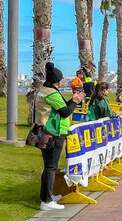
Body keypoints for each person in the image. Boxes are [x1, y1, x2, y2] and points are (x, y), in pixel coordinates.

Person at [34, 62, 84, 211]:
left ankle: (47, 196)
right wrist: (75, 101)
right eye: (61, 80)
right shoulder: (52, 93)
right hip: (53, 132)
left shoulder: (44, 90)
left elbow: (61, 107)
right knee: (51, 167)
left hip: (45, 130)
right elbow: (65, 112)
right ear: (56, 80)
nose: (62, 82)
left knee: (48, 166)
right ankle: (46, 201)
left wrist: (71, 101)